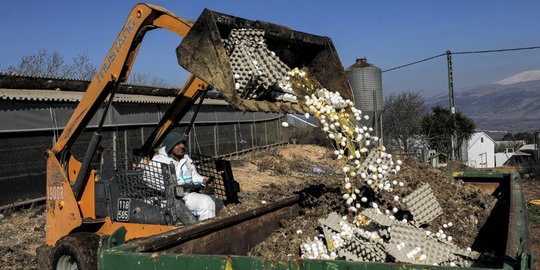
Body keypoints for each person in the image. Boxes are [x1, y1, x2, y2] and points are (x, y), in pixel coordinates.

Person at [152, 132, 216, 221]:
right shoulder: (159, 160)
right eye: (178, 144)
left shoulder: (186, 158)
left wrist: (203, 180)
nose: (182, 146)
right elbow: (149, 179)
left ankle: (205, 231)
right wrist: (170, 188)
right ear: (170, 145)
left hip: (186, 195)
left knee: (207, 202)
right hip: (168, 199)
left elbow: (193, 176)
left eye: (183, 143)